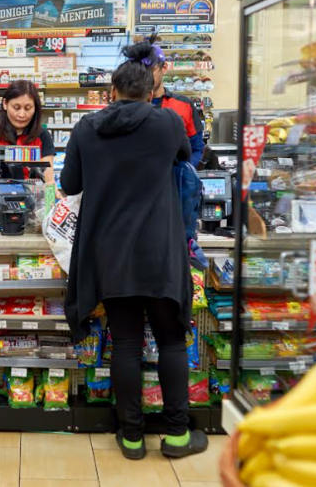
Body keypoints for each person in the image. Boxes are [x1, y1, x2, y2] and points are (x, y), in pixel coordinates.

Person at [60, 39, 208, 460]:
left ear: (111, 91)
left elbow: (70, 184)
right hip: (160, 248)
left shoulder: (86, 128)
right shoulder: (167, 122)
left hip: (110, 251)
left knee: (124, 343)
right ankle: (176, 436)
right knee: (171, 340)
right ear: (149, 90)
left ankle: (131, 437)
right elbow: (185, 157)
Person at [0, 80, 56, 186]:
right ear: (5, 104)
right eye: (16, 108)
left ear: (35, 108)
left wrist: (51, 190)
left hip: (29, 194)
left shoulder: (42, 136)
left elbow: (48, 181)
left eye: (28, 108)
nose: (22, 114)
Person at [146, 38, 206, 168]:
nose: (145, 76)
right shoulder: (131, 107)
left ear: (164, 68)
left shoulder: (184, 105)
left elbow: (197, 149)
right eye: (141, 70)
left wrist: (182, 172)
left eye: (151, 69)